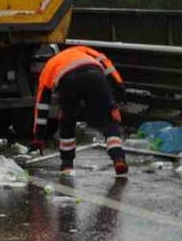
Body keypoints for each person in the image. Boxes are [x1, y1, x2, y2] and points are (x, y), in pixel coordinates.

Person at [33, 45, 128, 177]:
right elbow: (105, 62)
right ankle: (118, 159)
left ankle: (67, 165)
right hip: (95, 75)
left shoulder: (48, 68)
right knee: (109, 119)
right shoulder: (79, 49)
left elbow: (42, 106)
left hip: (68, 82)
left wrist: (39, 136)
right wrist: (119, 86)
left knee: (67, 121)